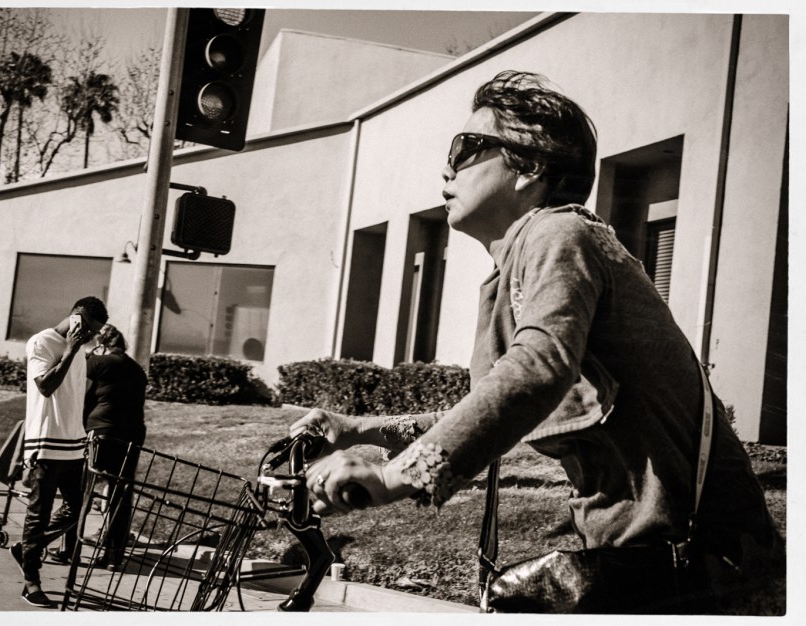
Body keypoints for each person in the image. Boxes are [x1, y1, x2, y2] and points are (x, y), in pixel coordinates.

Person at [290, 71, 783, 613]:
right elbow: (495, 409)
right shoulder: (519, 267)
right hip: (642, 561)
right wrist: (360, 430)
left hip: (707, 570)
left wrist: (396, 476)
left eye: (465, 148)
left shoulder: (560, 233)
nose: (447, 168)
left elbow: (537, 370)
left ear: (530, 168)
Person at [10, 296, 108, 608]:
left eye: (95, 333)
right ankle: (31, 583)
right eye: (89, 328)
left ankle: (26, 548)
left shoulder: (79, 351)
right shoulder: (41, 342)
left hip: (73, 443)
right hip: (46, 442)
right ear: (76, 316)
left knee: (79, 508)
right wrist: (70, 350)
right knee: (37, 515)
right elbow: (45, 386)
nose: (91, 336)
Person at [83, 324, 148, 571]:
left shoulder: (97, 363)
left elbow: (83, 398)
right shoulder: (137, 370)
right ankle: (114, 555)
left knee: (83, 489)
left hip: (101, 430)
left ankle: (70, 547)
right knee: (121, 492)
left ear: (101, 345)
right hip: (132, 433)